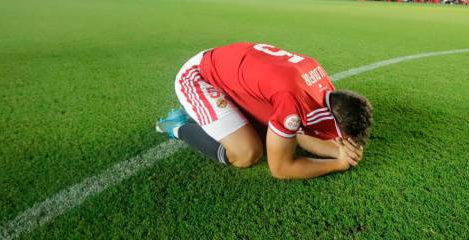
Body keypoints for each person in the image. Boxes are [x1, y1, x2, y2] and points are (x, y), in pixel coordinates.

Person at [156, 43, 372, 179]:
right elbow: (281, 169)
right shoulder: (293, 103)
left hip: (231, 72)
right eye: (341, 138)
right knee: (247, 154)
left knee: (275, 131)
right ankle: (178, 126)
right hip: (198, 78)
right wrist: (338, 163)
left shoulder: (323, 89)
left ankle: (222, 116)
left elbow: (300, 131)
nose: (338, 141)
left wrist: (336, 150)